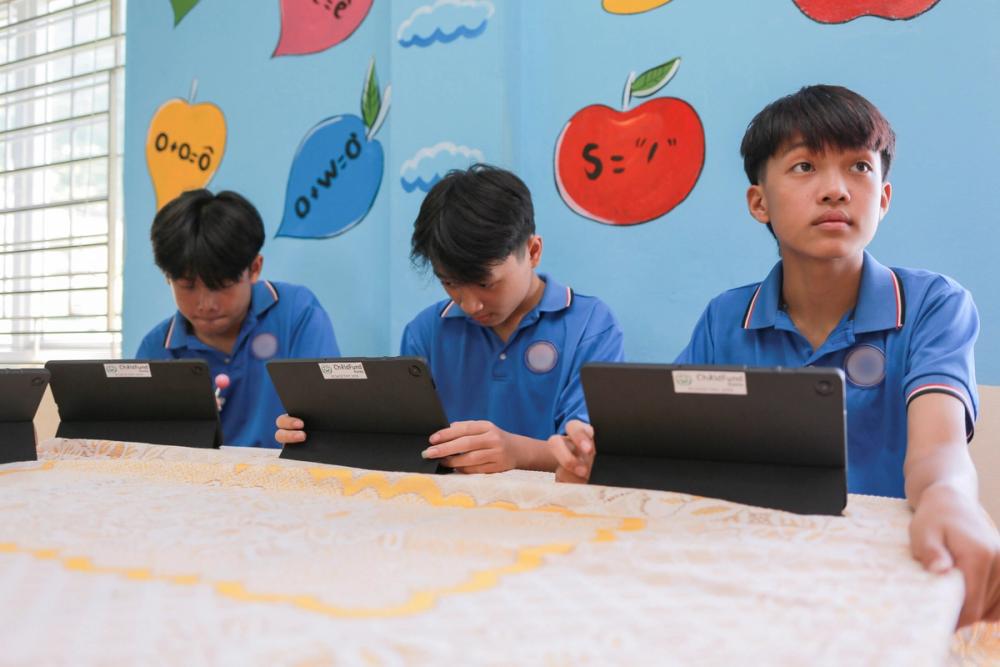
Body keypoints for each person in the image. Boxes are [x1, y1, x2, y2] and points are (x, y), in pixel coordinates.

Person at [552, 85, 1000, 626]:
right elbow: (674, 449)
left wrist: (948, 497)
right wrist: (608, 460)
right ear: (758, 201)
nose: (836, 190)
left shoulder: (933, 305)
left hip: (882, 571)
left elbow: (937, 449)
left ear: (882, 197)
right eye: (805, 166)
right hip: (747, 575)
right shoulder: (725, 319)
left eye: (859, 167)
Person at [276, 164, 624, 473]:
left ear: (532, 252)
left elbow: (587, 454)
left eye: (486, 283)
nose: (470, 304)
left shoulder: (590, 326)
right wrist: (319, 434)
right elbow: (403, 444)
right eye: (450, 283)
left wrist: (519, 453)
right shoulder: (426, 332)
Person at [137, 189, 340, 448]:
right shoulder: (155, 351)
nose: (206, 304)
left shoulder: (297, 314)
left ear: (254, 268)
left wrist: (313, 430)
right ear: (168, 277)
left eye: (221, 285)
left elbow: (329, 417)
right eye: (188, 286)